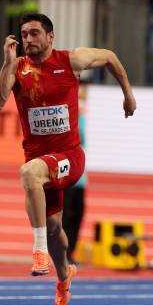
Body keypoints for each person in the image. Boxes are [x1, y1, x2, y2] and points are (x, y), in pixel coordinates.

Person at [0, 13, 136, 305]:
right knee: (55, 228)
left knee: (29, 173)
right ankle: (64, 273)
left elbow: (109, 56)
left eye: (34, 34)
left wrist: (128, 94)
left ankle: (38, 249)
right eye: (24, 35)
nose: (28, 40)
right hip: (40, 160)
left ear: (50, 36)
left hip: (69, 157)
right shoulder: (17, 68)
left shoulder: (71, 60)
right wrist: (7, 62)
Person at [62, 83, 88, 264]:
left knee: (78, 213)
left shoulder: (85, 117)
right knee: (66, 213)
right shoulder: (68, 115)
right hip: (66, 173)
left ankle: (71, 251)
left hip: (81, 176)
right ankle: (62, 252)